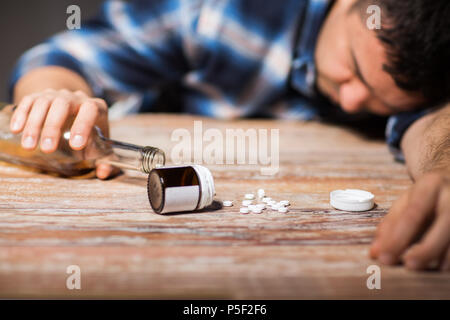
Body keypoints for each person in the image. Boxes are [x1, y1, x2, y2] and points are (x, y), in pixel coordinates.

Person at [8, 0, 450, 271]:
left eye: (381, 100)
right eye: (352, 66)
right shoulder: (218, 8)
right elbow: (67, 54)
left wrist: (444, 166)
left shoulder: (429, 66)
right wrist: (55, 94)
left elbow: (435, 125)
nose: (352, 102)